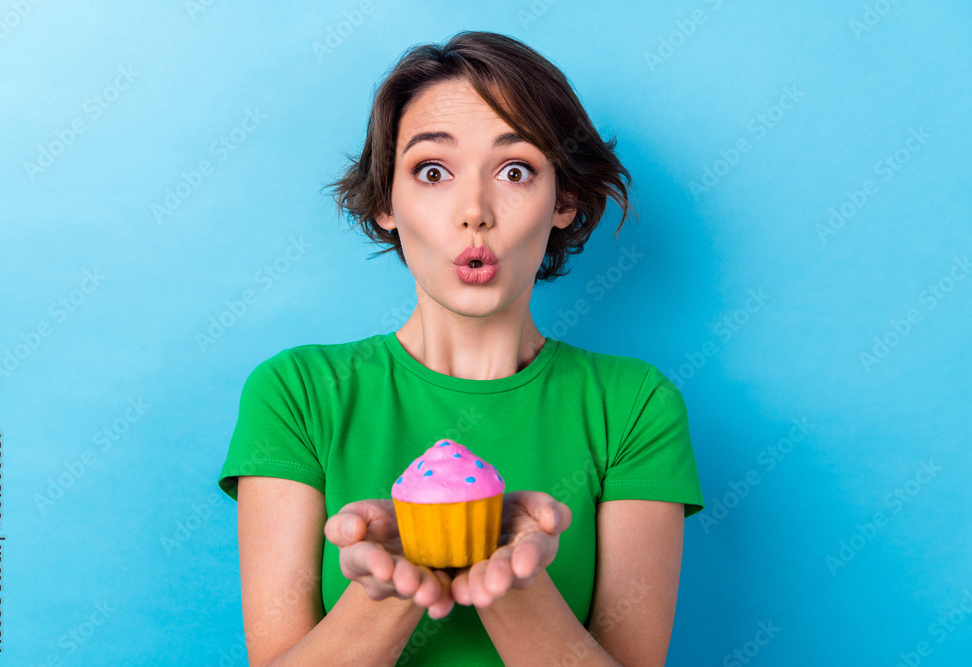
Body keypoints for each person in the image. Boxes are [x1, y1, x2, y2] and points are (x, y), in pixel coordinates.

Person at [217, 30, 704, 667]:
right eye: (433, 171)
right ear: (387, 200)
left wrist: (516, 588)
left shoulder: (634, 405)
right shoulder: (298, 394)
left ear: (565, 200)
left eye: (514, 170)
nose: (474, 210)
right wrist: (392, 587)